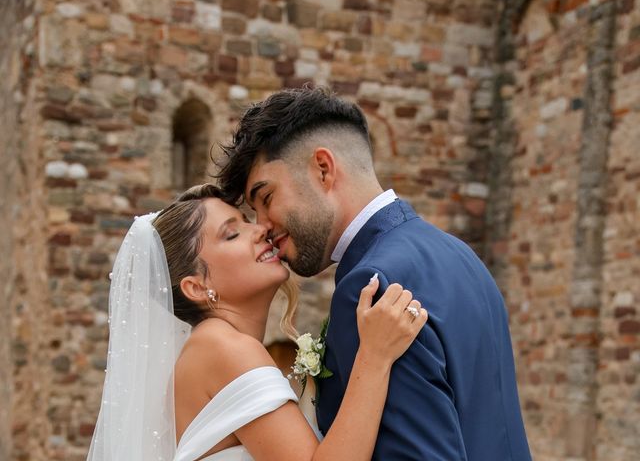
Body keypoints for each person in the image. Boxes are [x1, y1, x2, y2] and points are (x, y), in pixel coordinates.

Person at [217, 87, 533, 460]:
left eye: (266, 198)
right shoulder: (462, 257)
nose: (264, 226)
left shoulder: (370, 285)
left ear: (323, 169)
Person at [87, 184, 428, 461]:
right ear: (197, 286)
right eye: (232, 234)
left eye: (247, 220)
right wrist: (376, 356)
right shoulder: (224, 348)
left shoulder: (207, 349)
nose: (261, 229)